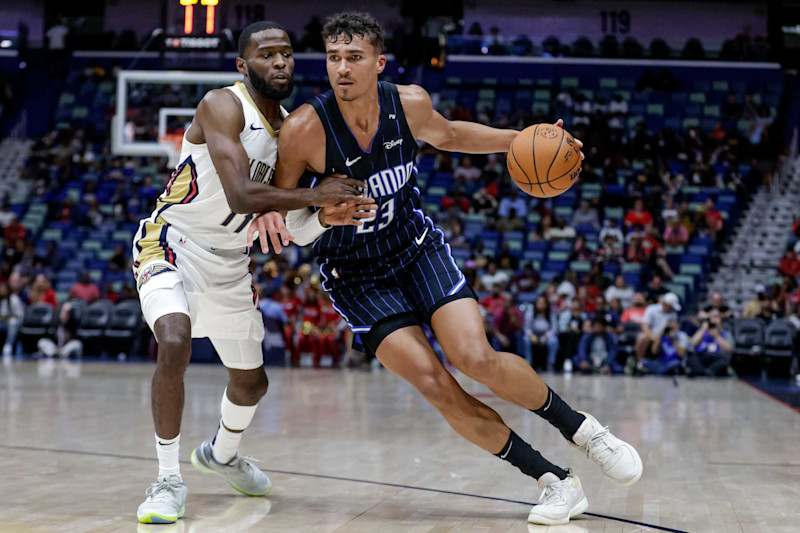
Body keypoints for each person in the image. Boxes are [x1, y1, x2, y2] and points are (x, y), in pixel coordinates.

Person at [250, 12, 641, 525]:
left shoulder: (408, 103)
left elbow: (452, 135)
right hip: (356, 274)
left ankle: (585, 431)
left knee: (475, 357)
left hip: (415, 247)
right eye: (333, 57)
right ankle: (555, 482)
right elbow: (279, 207)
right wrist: (321, 214)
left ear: (378, 62)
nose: (341, 68)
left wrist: (526, 138)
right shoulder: (305, 128)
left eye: (354, 57)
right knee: (438, 386)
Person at [131, 21, 371, 524]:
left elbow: (289, 229)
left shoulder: (292, 130)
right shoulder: (222, 104)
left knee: (252, 383)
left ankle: (221, 454)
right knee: (173, 340)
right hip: (174, 243)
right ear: (244, 65)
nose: (280, 62)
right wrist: (314, 196)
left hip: (231, 262)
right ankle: (167, 479)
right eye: (266, 55)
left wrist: (325, 217)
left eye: (286, 54)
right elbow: (242, 195)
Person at [635, 292, 680, 367]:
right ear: (665, 304)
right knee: (642, 338)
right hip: (651, 336)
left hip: (665, 337)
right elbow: (645, 326)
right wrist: (652, 337)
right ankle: (640, 363)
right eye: (671, 306)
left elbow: (675, 329)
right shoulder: (652, 309)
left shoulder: (673, 314)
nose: (672, 308)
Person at [686, 309, 733, 377]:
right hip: (702, 357)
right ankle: (704, 372)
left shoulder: (725, 333)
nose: (714, 320)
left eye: (716, 317)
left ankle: (706, 372)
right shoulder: (703, 331)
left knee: (725, 359)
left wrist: (717, 336)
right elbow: (692, 344)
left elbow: (729, 349)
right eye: (712, 317)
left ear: (721, 320)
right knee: (691, 356)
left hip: (716, 358)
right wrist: (703, 330)